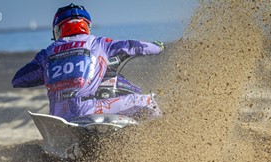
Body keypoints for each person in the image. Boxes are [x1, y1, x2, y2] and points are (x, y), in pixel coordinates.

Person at [12, 3, 164, 121]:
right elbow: (132, 46)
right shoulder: (99, 43)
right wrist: (159, 46)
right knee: (148, 101)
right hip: (87, 108)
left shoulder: (46, 53)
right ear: (87, 26)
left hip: (57, 115)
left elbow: (17, 80)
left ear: (58, 29)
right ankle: (158, 142)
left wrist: (51, 74)